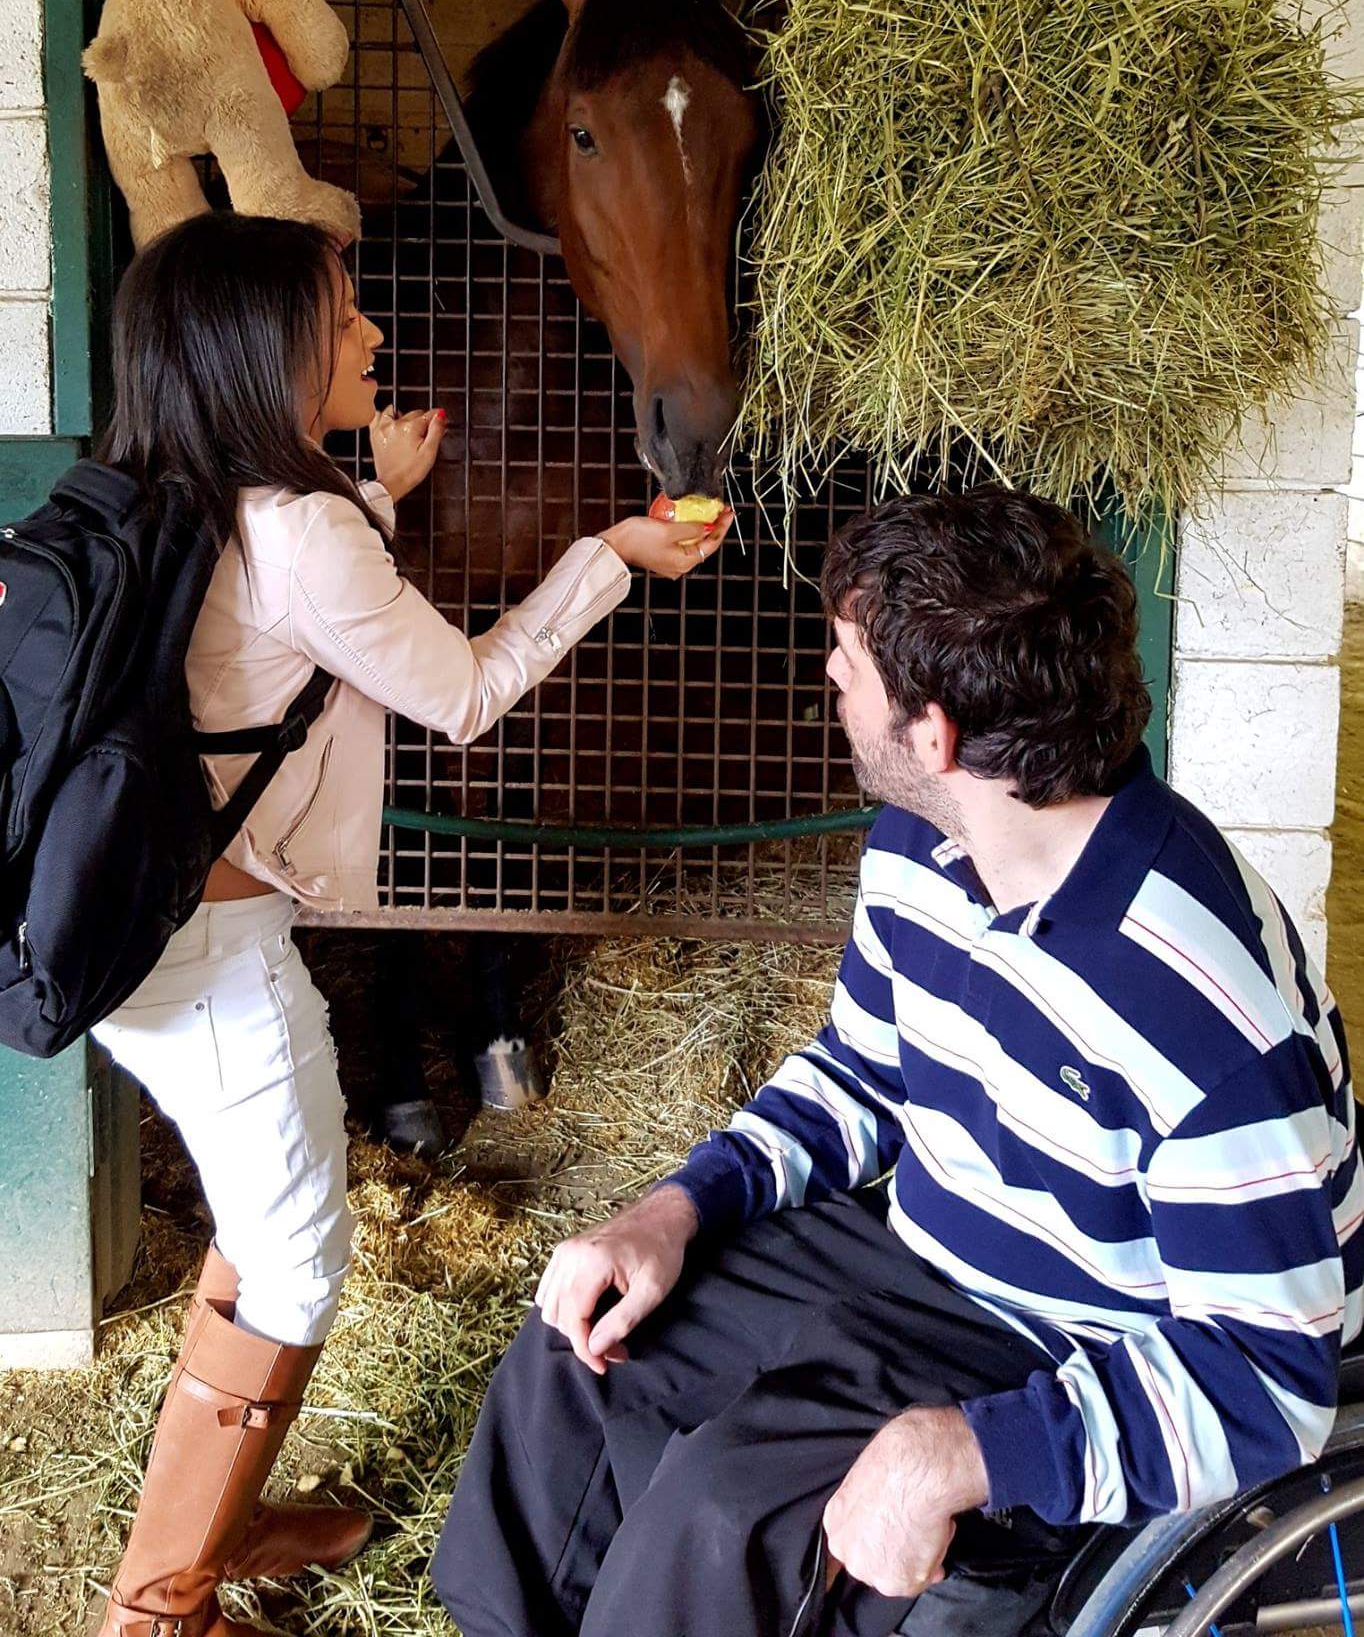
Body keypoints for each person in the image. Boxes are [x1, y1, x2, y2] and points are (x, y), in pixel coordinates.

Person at [434, 486, 1362, 1637]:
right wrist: (677, 1206)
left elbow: (1267, 1381)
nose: (827, 674)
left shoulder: (1192, 1002)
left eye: (847, 657)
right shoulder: (930, 839)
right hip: (928, 1245)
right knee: (576, 1360)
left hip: (1077, 1331)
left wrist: (967, 1448)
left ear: (935, 735)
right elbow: (863, 1074)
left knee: (723, 1512)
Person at [88, 209, 732, 1637]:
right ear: (272, 353)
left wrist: (376, 496)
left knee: (272, 1220)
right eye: (345, 317)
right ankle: (161, 1603)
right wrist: (613, 552)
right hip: (213, 962)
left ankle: (223, 1519)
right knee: (305, 1255)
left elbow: (282, 619)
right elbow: (466, 692)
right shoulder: (309, 528)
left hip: (154, 936)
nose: (375, 334)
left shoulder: (172, 482)